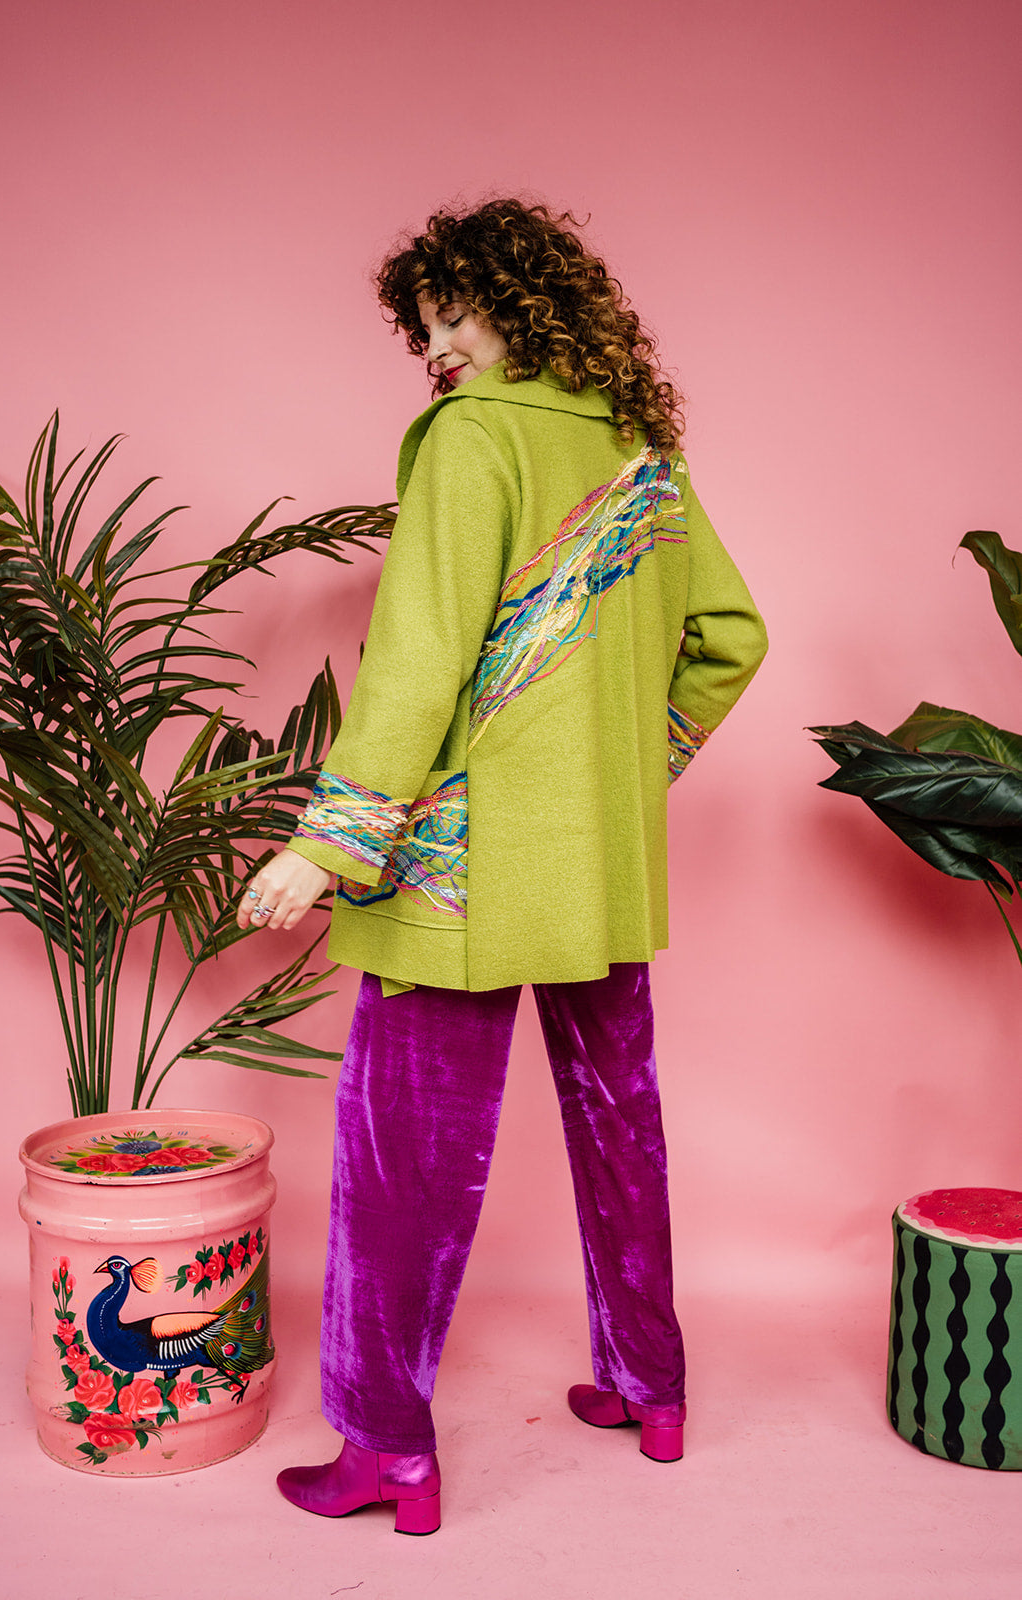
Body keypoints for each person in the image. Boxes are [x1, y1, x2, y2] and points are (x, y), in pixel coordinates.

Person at [237, 198, 767, 1535]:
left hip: (454, 874)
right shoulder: (639, 448)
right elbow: (731, 636)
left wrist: (327, 841)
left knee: (402, 1160)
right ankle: (652, 1387)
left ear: (518, 304)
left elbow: (419, 661)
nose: (438, 351)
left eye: (454, 317)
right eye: (423, 332)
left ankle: (386, 1450)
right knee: (620, 1121)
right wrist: (617, 781)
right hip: (598, 878)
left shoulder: (473, 440)